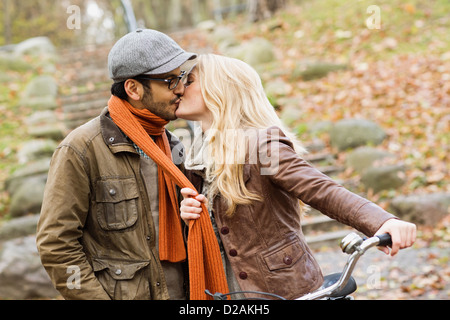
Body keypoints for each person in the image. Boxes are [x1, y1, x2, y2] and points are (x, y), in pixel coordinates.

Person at [176, 53, 417, 300]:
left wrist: (381, 221)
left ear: (220, 90)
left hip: (279, 290)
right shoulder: (195, 156)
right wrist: (189, 213)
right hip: (223, 290)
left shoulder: (261, 146)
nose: (179, 88)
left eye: (190, 80)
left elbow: (319, 188)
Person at [36, 29, 197, 300]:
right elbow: (56, 245)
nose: (180, 89)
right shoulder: (81, 149)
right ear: (133, 88)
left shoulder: (173, 145)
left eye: (180, 77)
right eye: (169, 81)